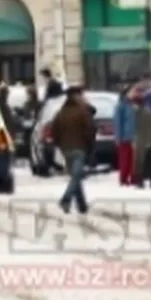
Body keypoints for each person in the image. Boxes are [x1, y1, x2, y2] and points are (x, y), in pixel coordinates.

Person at [49, 85, 95, 215]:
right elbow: (90, 129)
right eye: (81, 95)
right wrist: (89, 145)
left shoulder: (61, 112)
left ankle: (82, 205)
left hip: (66, 149)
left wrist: (59, 144)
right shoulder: (83, 111)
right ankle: (66, 199)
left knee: (76, 176)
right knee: (76, 176)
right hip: (80, 148)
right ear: (77, 96)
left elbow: (53, 131)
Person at [132, 91, 151, 189]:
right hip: (141, 141)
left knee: (148, 163)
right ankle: (140, 181)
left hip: (148, 143)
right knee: (141, 163)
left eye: (134, 103)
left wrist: (149, 142)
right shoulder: (138, 112)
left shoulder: (146, 113)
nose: (133, 106)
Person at [111, 85, 137, 186]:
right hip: (124, 137)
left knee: (132, 159)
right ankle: (124, 178)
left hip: (132, 136)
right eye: (131, 92)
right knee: (124, 159)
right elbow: (118, 123)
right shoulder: (121, 106)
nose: (133, 94)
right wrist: (118, 138)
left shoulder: (132, 105)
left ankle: (132, 177)